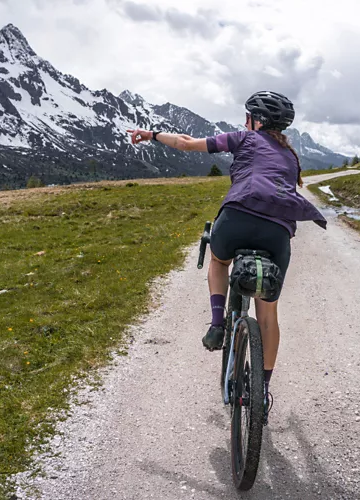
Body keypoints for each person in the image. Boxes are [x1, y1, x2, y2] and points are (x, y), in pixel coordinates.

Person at [127, 91, 326, 422]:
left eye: (248, 115)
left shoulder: (244, 138)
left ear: (256, 121)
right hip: (277, 234)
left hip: (237, 219)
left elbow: (187, 144)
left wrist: (151, 135)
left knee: (219, 261)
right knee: (268, 314)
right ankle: (261, 393)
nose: (245, 120)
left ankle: (218, 324)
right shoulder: (291, 157)